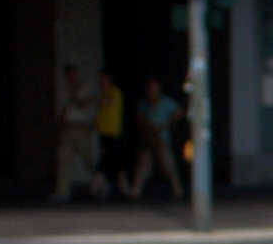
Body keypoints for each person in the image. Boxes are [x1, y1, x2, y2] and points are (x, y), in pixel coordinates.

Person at [126, 77, 185, 202]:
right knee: (143, 164)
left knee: (167, 163)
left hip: (161, 137)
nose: (152, 91)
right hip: (148, 137)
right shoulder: (145, 103)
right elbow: (139, 117)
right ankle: (136, 190)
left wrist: (166, 124)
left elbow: (179, 112)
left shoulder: (166, 102)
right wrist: (148, 125)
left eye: (154, 88)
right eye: (150, 89)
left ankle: (177, 188)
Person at [51, 64, 95, 203]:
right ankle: (62, 191)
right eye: (69, 74)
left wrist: (72, 92)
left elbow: (82, 104)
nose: (71, 77)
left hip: (80, 127)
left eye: (73, 74)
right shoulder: (63, 88)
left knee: (88, 158)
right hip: (67, 127)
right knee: (64, 159)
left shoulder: (82, 88)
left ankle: (101, 183)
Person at [91, 70, 126, 200]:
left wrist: (97, 100)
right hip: (104, 132)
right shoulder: (102, 94)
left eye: (102, 79)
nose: (100, 82)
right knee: (115, 160)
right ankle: (123, 187)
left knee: (107, 158)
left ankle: (95, 186)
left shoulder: (114, 92)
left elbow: (109, 102)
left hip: (113, 132)